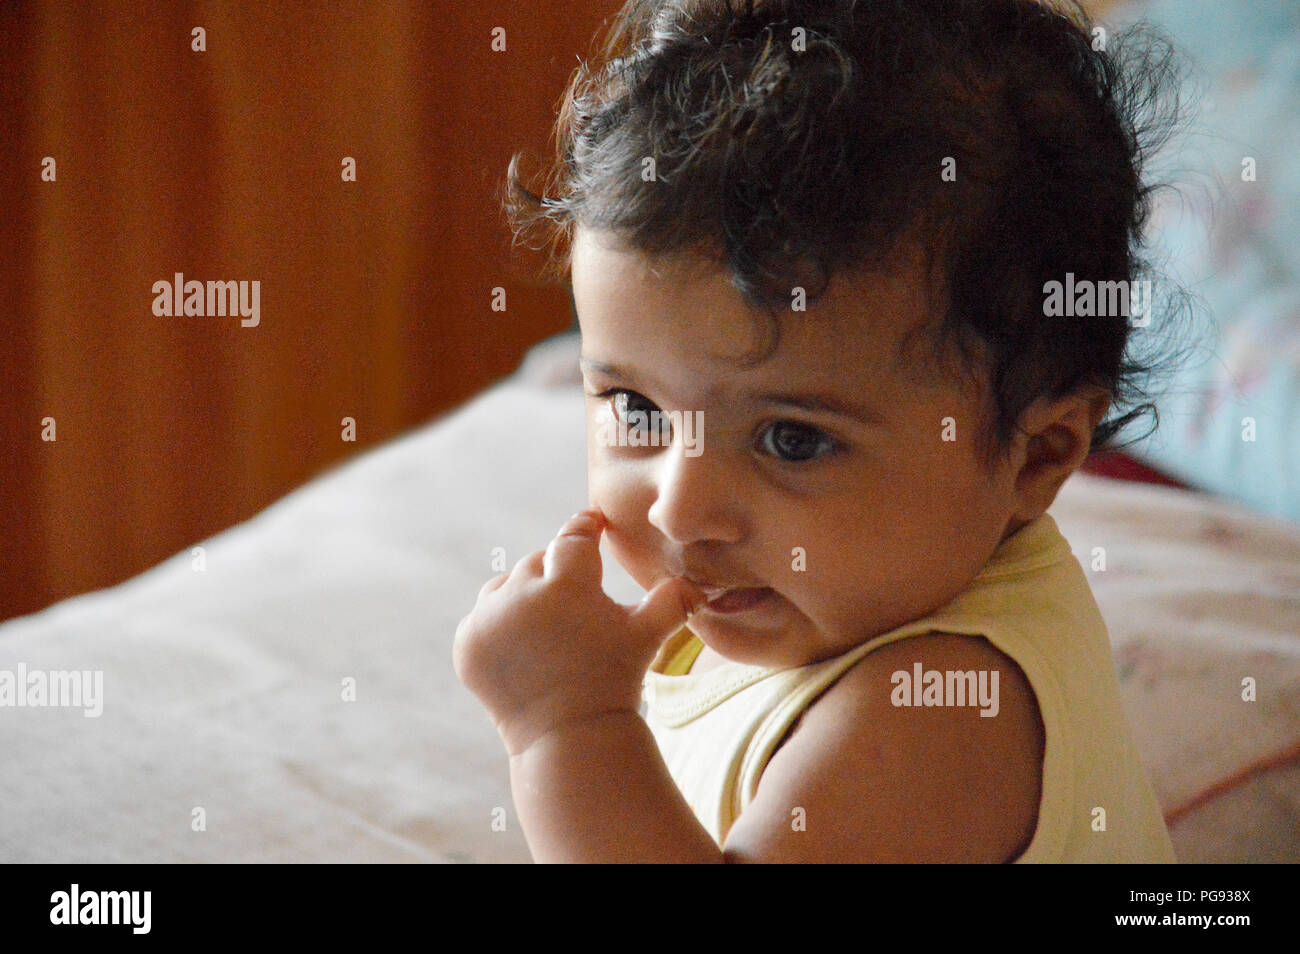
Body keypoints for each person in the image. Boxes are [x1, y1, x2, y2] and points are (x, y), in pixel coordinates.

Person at [454, 0, 1187, 862]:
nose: (681, 511)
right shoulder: (820, 599)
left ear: (1039, 456)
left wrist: (565, 727)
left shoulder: (937, 715)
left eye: (792, 439)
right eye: (639, 409)